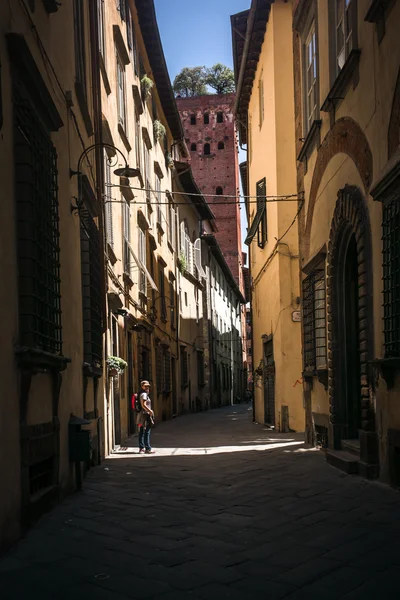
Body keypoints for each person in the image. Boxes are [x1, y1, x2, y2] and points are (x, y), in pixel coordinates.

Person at [136, 380, 155, 454]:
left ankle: (141, 448)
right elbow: (143, 405)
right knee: (147, 431)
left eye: (148, 386)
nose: (147, 387)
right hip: (145, 415)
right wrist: (150, 411)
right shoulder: (144, 394)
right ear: (142, 386)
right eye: (146, 386)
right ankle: (147, 448)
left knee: (141, 431)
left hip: (141, 415)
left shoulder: (140, 393)